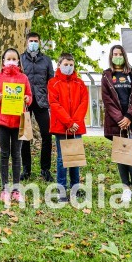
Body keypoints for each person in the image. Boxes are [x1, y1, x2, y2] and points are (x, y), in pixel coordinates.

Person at [101, 44, 132, 203]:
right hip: (116, 122)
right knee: (121, 156)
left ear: (124, 56)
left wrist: (128, 116)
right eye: (115, 54)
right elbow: (107, 100)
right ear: (111, 56)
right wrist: (120, 118)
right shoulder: (107, 76)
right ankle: (125, 188)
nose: (117, 56)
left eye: (120, 53)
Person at [0, 48, 32, 204]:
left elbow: (30, 97)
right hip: (2, 121)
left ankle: (16, 189)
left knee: (16, 154)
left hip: (18, 121)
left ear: (19, 61)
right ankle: (4, 188)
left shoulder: (23, 78)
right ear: (3, 61)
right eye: (9, 58)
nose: (11, 61)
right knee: (4, 154)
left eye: (14, 59)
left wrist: (27, 99)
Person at [48, 53, 88, 202]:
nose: (69, 67)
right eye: (66, 64)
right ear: (59, 65)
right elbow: (54, 104)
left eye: (71, 65)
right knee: (62, 158)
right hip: (61, 126)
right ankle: (61, 189)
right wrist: (69, 122)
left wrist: (75, 122)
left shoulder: (80, 83)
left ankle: (75, 188)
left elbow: (84, 102)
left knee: (75, 159)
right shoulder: (53, 83)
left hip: (76, 126)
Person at [20, 32, 55, 182]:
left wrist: (51, 101)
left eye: (35, 40)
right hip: (24, 102)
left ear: (39, 42)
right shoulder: (20, 59)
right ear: (27, 42)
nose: (33, 43)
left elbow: (51, 81)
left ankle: (45, 169)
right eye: (31, 41)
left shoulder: (46, 60)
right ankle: (26, 169)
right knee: (24, 136)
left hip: (41, 102)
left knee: (47, 135)